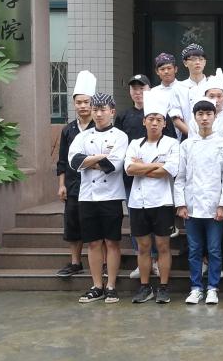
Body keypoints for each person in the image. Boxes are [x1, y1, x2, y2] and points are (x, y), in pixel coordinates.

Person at [70, 92, 128, 304]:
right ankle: (97, 286)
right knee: (93, 243)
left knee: (111, 242)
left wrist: (88, 161)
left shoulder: (120, 136)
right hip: (87, 196)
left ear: (112, 112)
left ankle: (111, 285)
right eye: (95, 109)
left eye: (103, 109)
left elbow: (113, 165)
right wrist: (99, 159)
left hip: (111, 196)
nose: (99, 113)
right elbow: (74, 161)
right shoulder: (82, 136)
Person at [175, 98, 223, 305]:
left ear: (215, 117)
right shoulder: (187, 145)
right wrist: (181, 204)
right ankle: (196, 287)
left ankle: (213, 288)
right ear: (194, 117)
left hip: (214, 206)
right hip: (192, 207)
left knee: (215, 249)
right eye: (200, 114)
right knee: (194, 250)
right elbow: (180, 176)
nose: (205, 118)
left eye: (208, 114)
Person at [124, 90, 179, 305]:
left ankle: (163, 287)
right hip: (138, 202)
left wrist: (143, 166)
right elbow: (129, 169)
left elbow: (168, 171)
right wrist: (156, 165)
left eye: (158, 120)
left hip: (162, 202)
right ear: (144, 121)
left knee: (163, 246)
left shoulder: (172, 144)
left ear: (164, 123)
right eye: (150, 119)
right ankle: (145, 287)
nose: (154, 123)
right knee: (143, 247)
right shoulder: (134, 144)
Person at [117, 74, 159, 281]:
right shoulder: (123, 116)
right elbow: (119, 146)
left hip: (157, 178)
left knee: (156, 220)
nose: (138, 92)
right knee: (136, 221)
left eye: (142, 88)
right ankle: (141, 260)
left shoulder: (159, 114)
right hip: (131, 178)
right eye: (134, 88)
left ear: (150, 89)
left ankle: (156, 261)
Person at [55, 70, 95, 278]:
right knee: (72, 223)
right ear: (74, 104)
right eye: (79, 102)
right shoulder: (68, 129)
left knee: (95, 225)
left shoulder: (101, 127)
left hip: (96, 184)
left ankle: (101, 263)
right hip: (73, 184)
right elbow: (62, 160)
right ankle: (75, 262)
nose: (83, 106)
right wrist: (61, 184)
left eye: (86, 102)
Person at [169, 43, 210, 139]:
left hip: (211, 136)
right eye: (193, 59)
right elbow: (175, 118)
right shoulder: (178, 87)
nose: (197, 62)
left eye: (201, 59)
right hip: (187, 137)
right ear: (185, 63)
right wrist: (193, 136)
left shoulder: (212, 84)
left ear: (205, 62)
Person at [191, 69, 223, 142]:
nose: (216, 100)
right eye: (211, 96)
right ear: (205, 97)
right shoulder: (194, 122)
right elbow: (191, 143)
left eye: (219, 96)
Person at [151, 53, 182, 139]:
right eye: (162, 69)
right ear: (157, 71)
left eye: (169, 68)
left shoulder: (185, 88)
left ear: (175, 69)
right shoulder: (153, 92)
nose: (166, 71)